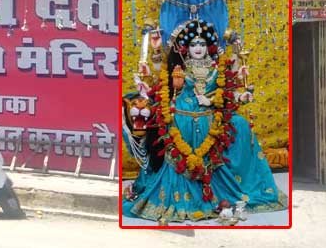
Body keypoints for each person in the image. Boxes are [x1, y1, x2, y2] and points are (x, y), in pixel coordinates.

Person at [123, 20, 287, 222]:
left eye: (201, 44)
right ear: (186, 48)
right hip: (182, 115)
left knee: (241, 125)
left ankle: (226, 185)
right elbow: (160, 77)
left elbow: (229, 93)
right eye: (193, 44)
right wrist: (155, 51)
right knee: (171, 125)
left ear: (208, 46)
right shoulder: (180, 68)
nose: (198, 48)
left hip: (210, 114)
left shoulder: (216, 69)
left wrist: (236, 96)